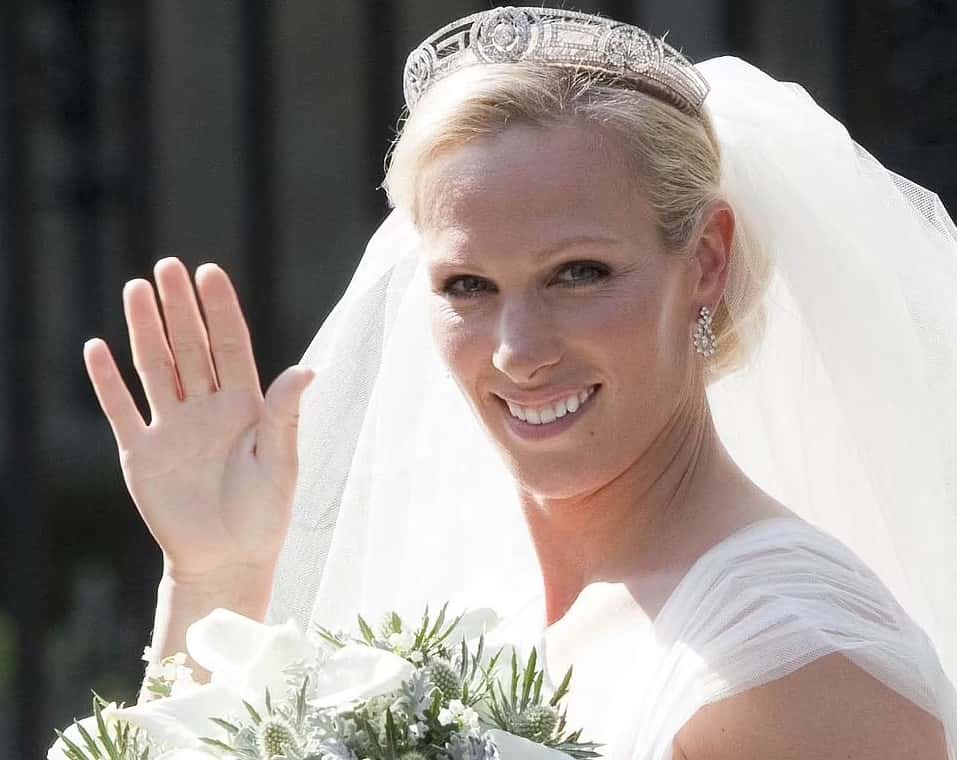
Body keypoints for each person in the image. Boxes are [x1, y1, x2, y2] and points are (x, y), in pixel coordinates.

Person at [83, 6, 957, 759]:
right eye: (468, 286)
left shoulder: (804, 665)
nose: (517, 350)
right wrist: (215, 578)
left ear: (705, 261)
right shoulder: (460, 595)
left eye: (578, 273)